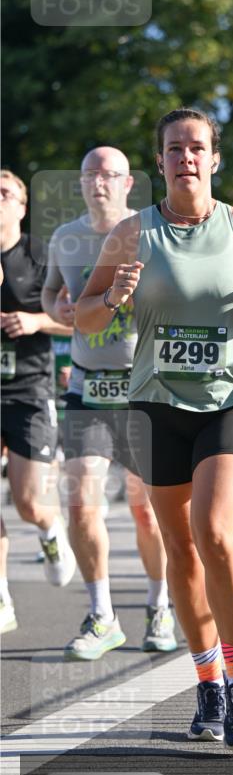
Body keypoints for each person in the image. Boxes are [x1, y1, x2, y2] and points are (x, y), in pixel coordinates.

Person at [76, 107, 233, 749]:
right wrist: (114, 299)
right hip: (157, 405)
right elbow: (84, 318)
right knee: (180, 548)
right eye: (174, 149)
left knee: (214, 530)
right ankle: (207, 685)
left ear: (214, 159)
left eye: (197, 147)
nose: (186, 158)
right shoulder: (129, 236)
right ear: (160, 162)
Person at [42, 147, 173, 660]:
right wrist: (60, 306)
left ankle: (159, 605)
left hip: (142, 389)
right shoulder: (64, 238)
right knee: (79, 501)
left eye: (109, 174)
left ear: (127, 184)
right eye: (90, 173)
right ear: (80, 183)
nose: (99, 181)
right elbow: (52, 295)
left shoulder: (147, 233)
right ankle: (102, 614)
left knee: (146, 512)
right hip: (87, 388)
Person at [1, 169, 76, 634]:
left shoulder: (40, 255)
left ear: (22, 207)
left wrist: (33, 322)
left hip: (28, 391)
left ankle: (50, 530)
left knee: (29, 502)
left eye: (4, 193)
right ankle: (1, 598)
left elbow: (76, 319)